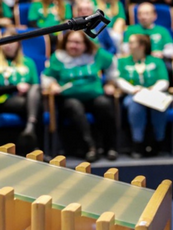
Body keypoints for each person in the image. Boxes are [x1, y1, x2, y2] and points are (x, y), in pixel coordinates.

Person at [42, 29, 117, 162]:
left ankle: (110, 146)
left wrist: (110, 82)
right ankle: (90, 147)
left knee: (104, 104)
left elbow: (113, 63)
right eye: (70, 42)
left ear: (85, 44)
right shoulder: (59, 57)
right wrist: (52, 85)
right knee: (74, 106)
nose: (73, 45)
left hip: (94, 96)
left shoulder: (95, 54)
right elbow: (46, 76)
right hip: (69, 99)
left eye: (77, 42)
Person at [0, 27, 42, 152]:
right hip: (3, 100)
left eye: (11, 42)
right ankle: (34, 147)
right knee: (35, 106)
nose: (8, 45)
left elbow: (36, 86)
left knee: (35, 93)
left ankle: (30, 135)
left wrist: (26, 89)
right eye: (4, 42)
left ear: (18, 44)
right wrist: (15, 87)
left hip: (27, 98)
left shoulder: (29, 62)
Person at [116, 33, 170, 159]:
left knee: (159, 103)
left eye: (131, 43)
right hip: (133, 95)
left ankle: (159, 141)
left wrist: (151, 91)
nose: (128, 46)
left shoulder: (156, 61)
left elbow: (164, 81)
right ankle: (137, 143)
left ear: (141, 46)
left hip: (154, 93)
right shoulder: (123, 61)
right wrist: (133, 90)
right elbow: (119, 80)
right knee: (136, 104)